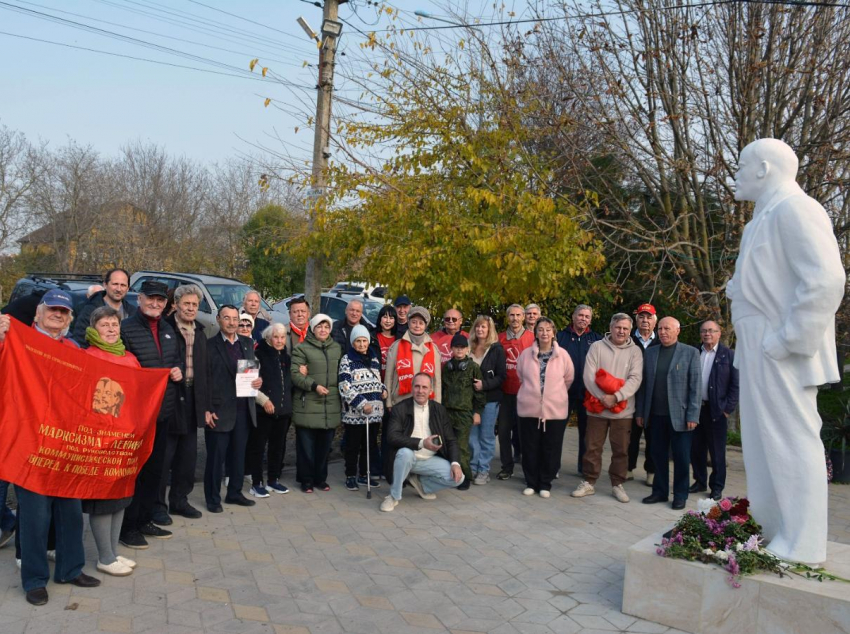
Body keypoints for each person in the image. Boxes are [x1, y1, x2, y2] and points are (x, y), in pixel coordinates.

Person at [727, 138, 844, 564]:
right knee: (761, 443)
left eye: (742, 165)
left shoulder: (797, 208)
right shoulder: (760, 219)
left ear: (763, 168)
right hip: (756, 344)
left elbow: (826, 279)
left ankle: (803, 541)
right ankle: (772, 529)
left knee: (790, 438)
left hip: (780, 345)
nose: (736, 174)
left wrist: (789, 338)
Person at [0, 292, 102, 606]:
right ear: (38, 313)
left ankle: (70, 569)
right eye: (52, 309)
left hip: (65, 444)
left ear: (70, 318)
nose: (58, 314)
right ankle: (34, 580)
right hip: (30, 445)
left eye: (64, 311)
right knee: (35, 516)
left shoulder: (72, 349)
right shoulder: (17, 341)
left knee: (70, 514)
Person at [119, 280, 183, 549]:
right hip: (137, 416)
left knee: (155, 472)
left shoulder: (168, 329)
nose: (155, 304)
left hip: (162, 413)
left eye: (160, 300)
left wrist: (178, 370)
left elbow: (174, 360)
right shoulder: (126, 329)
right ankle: (127, 527)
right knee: (135, 472)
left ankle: (145, 519)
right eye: (151, 299)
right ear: (139, 299)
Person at [83, 307, 142, 577]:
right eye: (104, 324)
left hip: (126, 439)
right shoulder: (87, 356)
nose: (110, 329)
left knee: (121, 495)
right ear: (94, 328)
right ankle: (104, 557)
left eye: (114, 324)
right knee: (103, 498)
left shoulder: (130, 358)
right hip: (100, 439)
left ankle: (113, 551)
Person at [571, 313, 643, 503]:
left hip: (623, 411)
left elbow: (635, 379)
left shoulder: (635, 351)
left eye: (625, 328)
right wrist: (603, 398)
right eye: (618, 327)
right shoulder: (596, 347)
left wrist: (616, 397)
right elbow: (588, 376)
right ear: (611, 328)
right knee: (592, 447)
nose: (621, 331)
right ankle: (589, 482)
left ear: (630, 331)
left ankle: (617, 484)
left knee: (621, 449)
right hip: (597, 408)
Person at [635, 317, 701, 510]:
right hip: (655, 415)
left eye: (667, 328)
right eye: (661, 328)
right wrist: (641, 412)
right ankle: (660, 491)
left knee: (681, 457)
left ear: (677, 330)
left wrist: (693, 414)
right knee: (657, 455)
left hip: (681, 416)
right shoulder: (651, 353)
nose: (663, 332)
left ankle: (680, 494)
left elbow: (695, 387)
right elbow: (643, 386)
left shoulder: (690, 353)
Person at [157, 284, 209, 521]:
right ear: (176, 304)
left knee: (187, 457)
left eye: (194, 304)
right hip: (170, 398)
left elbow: (205, 372)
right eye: (186, 303)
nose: (190, 308)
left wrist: (206, 406)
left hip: (192, 399)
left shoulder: (201, 332)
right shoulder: (164, 328)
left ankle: (179, 501)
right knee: (164, 457)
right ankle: (158, 506)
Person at [204, 305, 262, 511]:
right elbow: (204, 380)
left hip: (243, 409)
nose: (231, 322)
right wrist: (206, 408)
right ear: (218, 319)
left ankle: (234, 493)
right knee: (216, 459)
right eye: (226, 318)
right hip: (219, 411)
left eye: (235, 318)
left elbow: (251, 371)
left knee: (238, 456)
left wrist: (257, 381)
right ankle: (212, 499)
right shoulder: (209, 345)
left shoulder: (247, 342)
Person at [380, 373, 464, 512]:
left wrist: (455, 463)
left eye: (424, 387)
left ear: (431, 390)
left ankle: (422, 485)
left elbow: (451, 440)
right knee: (405, 453)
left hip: (429, 460)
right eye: (417, 386)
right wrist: (421, 443)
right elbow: (392, 436)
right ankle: (393, 496)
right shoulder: (400, 408)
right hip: (405, 458)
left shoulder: (439, 410)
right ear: (412, 388)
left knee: (458, 478)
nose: (420, 391)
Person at [515, 317, 575, 498]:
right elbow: (520, 376)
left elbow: (568, 379)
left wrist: (553, 395)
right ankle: (531, 482)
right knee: (530, 447)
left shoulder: (563, 355)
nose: (544, 333)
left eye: (548, 329)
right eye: (540, 329)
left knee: (551, 448)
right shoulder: (525, 354)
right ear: (535, 333)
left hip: (554, 410)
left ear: (554, 333)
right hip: (529, 409)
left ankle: (545, 484)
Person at [290, 314, 343, 493]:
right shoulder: (301, 349)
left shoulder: (336, 348)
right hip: (308, 404)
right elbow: (295, 375)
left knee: (324, 447)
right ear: (312, 329)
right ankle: (306, 480)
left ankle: (321, 478)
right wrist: (314, 386)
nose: (323, 330)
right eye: (319, 326)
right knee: (306, 448)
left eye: (326, 327)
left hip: (330, 405)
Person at [690, 321, 739, 501]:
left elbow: (736, 385)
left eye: (711, 330)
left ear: (719, 333)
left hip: (717, 410)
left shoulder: (729, 355)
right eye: (704, 331)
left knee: (717, 452)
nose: (707, 334)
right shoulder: (694, 352)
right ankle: (699, 481)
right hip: (696, 409)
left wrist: (727, 409)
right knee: (696, 449)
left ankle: (717, 486)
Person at [556, 305, 603, 475]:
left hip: (587, 393)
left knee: (586, 433)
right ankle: (553, 466)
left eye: (587, 316)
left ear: (590, 320)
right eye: (580, 315)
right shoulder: (560, 337)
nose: (583, 319)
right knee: (557, 431)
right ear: (573, 316)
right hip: (563, 392)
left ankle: (584, 468)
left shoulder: (597, 340)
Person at [339, 325, 386, 491]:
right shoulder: (347, 360)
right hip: (355, 413)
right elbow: (344, 386)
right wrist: (361, 403)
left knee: (369, 445)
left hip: (374, 412)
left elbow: (377, 380)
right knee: (353, 446)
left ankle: (364, 475)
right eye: (358, 341)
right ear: (353, 343)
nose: (361, 344)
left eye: (364, 341)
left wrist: (384, 389)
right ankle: (350, 475)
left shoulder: (374, 358)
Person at [249, 323, 294, 497]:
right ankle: (256, 483)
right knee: (258, 448)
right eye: (276, 337)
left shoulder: (286, 357)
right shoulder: (257, 354)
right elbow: (247, 383)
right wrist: (264, 401)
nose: (280, 341)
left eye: (282, 337)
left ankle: (273, 480)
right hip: (263, 411)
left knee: (277, 447)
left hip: (282, 411)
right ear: (268, 338)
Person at [442, 334, 486, 490]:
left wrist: (477, 412)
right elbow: (442, 389)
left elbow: (479, 393)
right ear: (451, 349)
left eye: (462, 347)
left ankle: (465, 477)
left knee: (461, 446)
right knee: (447, 445)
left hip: (464, 413)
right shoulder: (447, 367)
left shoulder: (473, 368)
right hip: (447, 412)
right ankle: (450, 474)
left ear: (467, 349)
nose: (459, 350)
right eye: (456, 347)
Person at [496, 304, 535, 480]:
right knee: (504, 431)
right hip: (505, 393)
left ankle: (529, 470)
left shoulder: (532, 338)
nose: (515, 318)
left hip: (525, 393)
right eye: (512, 315)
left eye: (518, 315)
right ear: (507, 317)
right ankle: (507, 467)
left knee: (525, 433)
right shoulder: (499, 338)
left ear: (523, 317)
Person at [468, 315, 506, 485]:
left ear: (490, 329)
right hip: (470, 400)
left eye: (484, 327)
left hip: (490, 399)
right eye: (478, 326)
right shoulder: (469, 346)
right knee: (472, 436)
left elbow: (501, 376)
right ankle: (472, 467)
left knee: (486, 436)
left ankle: (483, 470)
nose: (480, 329)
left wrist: (484, 384)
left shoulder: (496, 349)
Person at [628, 303, 661, 484]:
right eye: (641, 317)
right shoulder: (628, 339)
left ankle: (651, 472)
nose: (645, 320)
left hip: (654, 397)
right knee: (630, 436)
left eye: (649, 317)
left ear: (655, 321)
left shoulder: (661, 341)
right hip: (631, 395)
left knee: (653, 437)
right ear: (636, 320)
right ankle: (628, 468)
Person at [384, 307, 442, 407]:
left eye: (421, 323)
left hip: (425, 403)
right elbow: (389, 377)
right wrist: (388, 402)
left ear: (425, 325)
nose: (417, 326)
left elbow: (437, 381)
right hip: (400, 401)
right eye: (414, 322)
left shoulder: (433, 349)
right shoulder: (396, 346)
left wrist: (437, 404)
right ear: (408, 322)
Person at [72, 268, 136, 345]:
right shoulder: (89, 310)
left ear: (128, 288)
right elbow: (80, 340)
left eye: (123, 285)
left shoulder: (133, 313)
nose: (119, 289)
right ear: (105, 285)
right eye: (115, 284)